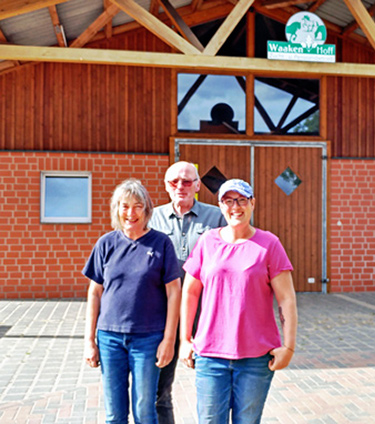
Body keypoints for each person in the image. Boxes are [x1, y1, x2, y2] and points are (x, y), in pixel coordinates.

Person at [179, 178, 298, 424]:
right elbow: (190, 292)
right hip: (210, 355)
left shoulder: (269, 244)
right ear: (221, 206)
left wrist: (289, 346)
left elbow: (286, 298)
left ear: (252, 203)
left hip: (255, 358)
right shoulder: (207, 241)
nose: (236, 206)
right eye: (228, 201)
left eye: (242, 200)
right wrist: (184, 340)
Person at [83, 178, 182, 424]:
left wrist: (169, 340)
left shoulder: (161, 243)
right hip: (110, 339)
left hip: (148, 339)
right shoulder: (106, 243)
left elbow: (174, 292)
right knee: (114, 414)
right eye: (124, 206)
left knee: (145, 411)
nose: (131, 213)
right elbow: (94, 293)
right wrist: (89, 341)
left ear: (147, 209)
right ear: (116, 209)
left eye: (137, 206)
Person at [149, 161, 226, 424]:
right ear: (166, 186)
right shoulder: (151, 218)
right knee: (158, 390)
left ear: (196, 186)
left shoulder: (216, 217)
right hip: (161, 316)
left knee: (214, 390)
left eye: (187, 181)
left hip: (207, 316)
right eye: (174, 181)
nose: (180, 186)